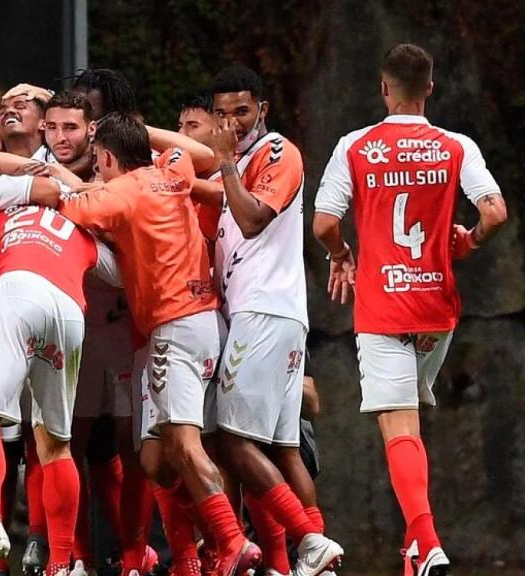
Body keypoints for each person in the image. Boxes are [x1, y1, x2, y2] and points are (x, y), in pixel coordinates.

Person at [313, 43, 506, 576]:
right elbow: (494, 211)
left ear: (383, 87)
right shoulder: (455, 146)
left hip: (383, 309)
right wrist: (466, 243)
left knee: (398, 427)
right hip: (436, 309)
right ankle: (412, 551)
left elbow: (325, 222)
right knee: (412, 428)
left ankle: (428, 541)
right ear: (430, 88)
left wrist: (341, 254)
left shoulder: (355, 146)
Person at [57, 112, 260, 576]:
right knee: (157, 459)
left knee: (185, 445)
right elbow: (198, 154)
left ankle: (231, 541)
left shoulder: (119, 193)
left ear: (106, 158)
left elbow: (68, 204)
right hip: (203, 322)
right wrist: (137, 129)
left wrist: (56, 174)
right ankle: (215, 539)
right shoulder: (174, 170)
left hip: (172, 326)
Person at [203, 65, 343, 576]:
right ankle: (317, 560)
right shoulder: (238, 160)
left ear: (263, 109)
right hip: (270, 314)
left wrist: (222, 162)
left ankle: (309, 540)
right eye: (220, 113)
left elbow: (252, 218)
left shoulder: (277, 152)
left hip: (263, 311)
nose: (230, 122)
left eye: (241, 111)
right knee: (283, 449)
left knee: (232, 438)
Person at [0, 165, 117, 576]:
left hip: (17, 292)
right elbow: (118, 274)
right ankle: (62, 562)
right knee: (55, 443)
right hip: (69, 311)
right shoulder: (77, 228)